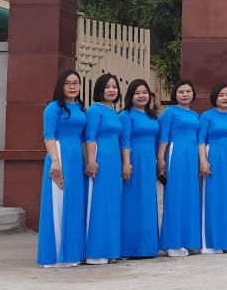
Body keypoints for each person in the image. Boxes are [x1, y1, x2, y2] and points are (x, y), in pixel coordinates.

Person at [36, 69, 88, 267]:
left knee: (74, 204)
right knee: (58, 203)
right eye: (68, 83)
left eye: (76, 83)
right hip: (60, 156)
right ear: (61, 86)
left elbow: (83, 139)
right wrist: (55, 160)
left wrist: (87, 161)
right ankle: (55, 256)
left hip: (76, 159)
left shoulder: (81, 108)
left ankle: (71, 254)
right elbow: (48, 135)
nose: (72, 87)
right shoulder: (53, 108)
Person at [157, 78, 201, 257]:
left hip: (192, 157)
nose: (185, 94)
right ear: (175, 94)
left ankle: (188, 241)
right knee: (175, 196)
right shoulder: (170, 112)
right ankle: (172, 243)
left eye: (188, 91)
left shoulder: (195, 115)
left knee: (190, 197)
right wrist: (161, 158)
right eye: (181, 91)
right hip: (176, 155)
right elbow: (164, 137)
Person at [83, 74, 124, 264]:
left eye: (114, 86)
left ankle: (109, 249)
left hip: (114, 160)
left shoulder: (114, 112)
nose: (111, 90)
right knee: (99, 203)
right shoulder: (94, 110)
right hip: (100, 159)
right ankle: (95, 252)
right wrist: (91, 161)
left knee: (111, 203)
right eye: (107, 87)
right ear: (100, 89)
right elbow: (90, 137)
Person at [119, 79, 160, 259]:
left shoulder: (153, 116)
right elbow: (124, 140)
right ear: (130, 96)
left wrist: (159, 160)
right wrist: (126, 163)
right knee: (132, 201)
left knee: (147, 201)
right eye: (137, 93)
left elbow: (157, 141)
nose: (142, 96)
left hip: (149, 160)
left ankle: (147, 247)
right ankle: (129, 248)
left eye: (145, 92)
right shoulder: (126, 115)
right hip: (134, 160)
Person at [198, 83, 227, 253]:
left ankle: (226, 242)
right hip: (213, 156)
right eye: (221, 95)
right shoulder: (207, 116)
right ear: (215, 97)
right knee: (212, 198)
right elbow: (200, 140)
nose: (225, 98)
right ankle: (210, 243)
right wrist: (203, 160)